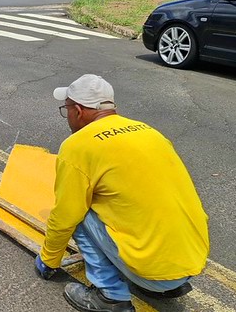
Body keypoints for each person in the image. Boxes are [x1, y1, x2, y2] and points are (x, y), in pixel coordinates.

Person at [35, 74, 209, 312]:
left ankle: (110, 296)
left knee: (79, 214)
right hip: (192, 262)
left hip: (154, 272)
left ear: (78, 110)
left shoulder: (78, 146)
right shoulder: (150, 132)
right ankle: (167, 285)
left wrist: (49, 260)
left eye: (66, 110)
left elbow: (65, 216)